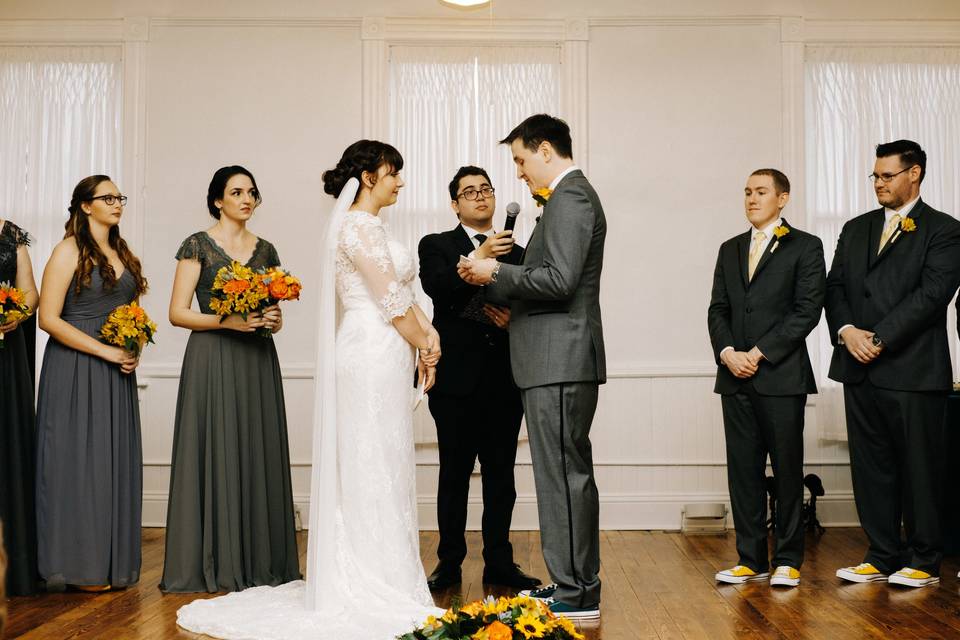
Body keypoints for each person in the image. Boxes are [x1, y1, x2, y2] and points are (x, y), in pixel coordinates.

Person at [174, 141, 444, 639]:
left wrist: (430, 338)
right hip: (369, 350)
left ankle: (388, 573)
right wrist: (423, 340)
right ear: (368, 177)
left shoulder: (375, 227)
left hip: (388, 347)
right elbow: (389, 301)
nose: (400, 182)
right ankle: (367, 580)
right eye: (393, 174)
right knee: (368, 461)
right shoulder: (358, 227)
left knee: (385, 459)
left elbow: (403, 296)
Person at [458, 114, 605, 621]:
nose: (519, 171)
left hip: (558, 360)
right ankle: (573, 582)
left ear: (546, 150)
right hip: (551, 360)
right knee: (560, 476)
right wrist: (492, 277)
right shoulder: (564, 199)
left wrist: (494, 270)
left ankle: (576, 592)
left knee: (563, 478)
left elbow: (560, 280)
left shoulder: (572, 197)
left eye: (521, 159)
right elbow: (547, 277)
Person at [160, 166, 300, 593]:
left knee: (255, 448)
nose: (246, 199)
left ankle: (260, 562)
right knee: (216, 446)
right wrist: (228, 321)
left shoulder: (267, 249)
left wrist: (272, 320)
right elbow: (177, 312)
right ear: (217, 200)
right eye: (236, 192)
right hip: (212, 357)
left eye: (252, 192)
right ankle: (215, 560)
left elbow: (275, 320)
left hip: (257, 359)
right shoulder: (197, 245)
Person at [827, 140, 960, 588]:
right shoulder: (855, 227)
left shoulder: (945, 230)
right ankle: (881, 554)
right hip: (858, 366)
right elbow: (836, 287)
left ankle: (924, 561)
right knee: (871, 465)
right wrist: (847, 331)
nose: (879, 184)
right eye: (876, 176)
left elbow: (931, 296)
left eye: (888, 176)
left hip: (914, 370)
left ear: (915, 174)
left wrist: (879, 338)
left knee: (921, 470)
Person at [418, 165, 539, 591]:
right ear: (455, 204)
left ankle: (500, 563)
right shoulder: (436, 244)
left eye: (486, 189)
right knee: (453, 473)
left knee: (501, 476)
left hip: (505, 380)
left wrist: (514, 324)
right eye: (469, 192)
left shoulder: (521, 251)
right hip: (454, 381)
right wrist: (482, 255)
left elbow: (533, 305)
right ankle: (448, 563)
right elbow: (438, 290)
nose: (481, 197)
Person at [707, 169, 825, 588]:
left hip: (781, 376)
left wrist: (758, 353)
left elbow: (807, 311)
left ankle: (789, 560)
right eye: (747, 192)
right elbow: (717, 309)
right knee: (743, 471)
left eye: (760, 192)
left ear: (783, 198)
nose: (751, 198)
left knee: (788, 470)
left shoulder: (806, 246)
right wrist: (727, 354)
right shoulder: (729, 248)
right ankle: (750, 559)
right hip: (733, 377)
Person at [35, 175, 147, 590]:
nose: (118, 203)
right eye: (108, 197)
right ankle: (79, 564)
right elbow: (48, 318)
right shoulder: (67, 250)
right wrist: (105, 351)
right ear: (85, 206)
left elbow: (128, 311)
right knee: (79, 466)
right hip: (76, 369)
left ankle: (107, 561)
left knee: (110, 463)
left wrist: (133, 347)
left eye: (120, 196)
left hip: (116, 371)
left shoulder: (121, 251)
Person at [0, 217, 40, 596]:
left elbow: (30, 294)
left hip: (4, 356)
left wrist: (14, 313)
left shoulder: (9, 234)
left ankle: (13, 567)